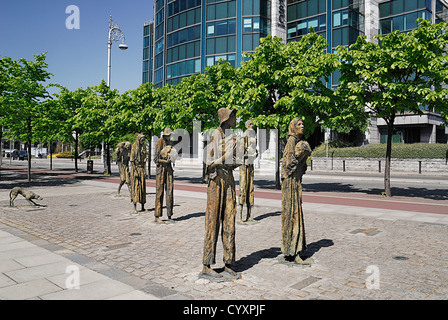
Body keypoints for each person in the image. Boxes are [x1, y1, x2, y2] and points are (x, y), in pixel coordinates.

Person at [202, 108, 242, 279]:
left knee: (229, 220)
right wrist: (224, 157)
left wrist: (238, 154)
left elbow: (236, 162)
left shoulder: (233, 137)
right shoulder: (215, 135)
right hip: (215, 183)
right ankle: (207, 264)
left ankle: (228, 262)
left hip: (228, 182)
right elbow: (208, 164)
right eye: (233, 116)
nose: (235, 118)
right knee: (212, 222)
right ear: (225, 119)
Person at [281, 118, 313, 265]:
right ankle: (293, 251)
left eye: (302, 124)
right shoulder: (291, 141)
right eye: (299, 124)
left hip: (295, 183)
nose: (302, 126)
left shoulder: (297, 141)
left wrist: (303, 156)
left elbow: (301, 167)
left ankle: (293, 249)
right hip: (290, 184)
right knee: (292, 214)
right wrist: (300, 155)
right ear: (293, 127)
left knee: (294, 213)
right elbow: (287, 165)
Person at [154, 127, 177, 223]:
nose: (169, 137)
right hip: (161, 170)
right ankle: (157, 215)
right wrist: (165, 161)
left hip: (169, 170)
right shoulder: (160, 141)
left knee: (170, 191)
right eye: (167, 135)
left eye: (170, 135)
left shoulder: (171, 143)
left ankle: (169, 215)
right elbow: (156, 159)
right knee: (159, 192)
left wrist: (173, 158)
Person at [238, 120, 258, 224]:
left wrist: (255, 154)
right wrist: (246, 155)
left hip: (251, 165)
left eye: (252, 124)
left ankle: (249, 215)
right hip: (244, 165)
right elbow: (239, 153)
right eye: (250, 124)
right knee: (243, 188)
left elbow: (255, 150)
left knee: (250, 188)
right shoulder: (244, 137)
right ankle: (240, 217)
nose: (252, 126)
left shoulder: (253, 137)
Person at [130, 134, 147, 213]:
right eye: (141, 139)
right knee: (136, 187)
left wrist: (145, 171)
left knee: (142, 187)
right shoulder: (134, 146)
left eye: (143, 139)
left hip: (142, 169)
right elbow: (132, 161)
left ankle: (143, 206)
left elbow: (145, 160)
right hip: (135, 169)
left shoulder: (143, 146)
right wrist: (135, 172)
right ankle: (134, 206)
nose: (142, 141)